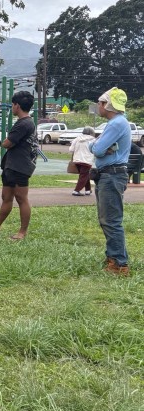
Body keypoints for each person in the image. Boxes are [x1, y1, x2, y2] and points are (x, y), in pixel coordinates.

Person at [91, 87, 131, 276]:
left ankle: (119, 263)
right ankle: (113, 257)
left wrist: (96, 145)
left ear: (107, 105)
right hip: (110, 175)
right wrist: (97, 145)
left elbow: (97, 149)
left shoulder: (116, 124)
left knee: (111, 220)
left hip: (111, 175)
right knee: (107, 219)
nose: (98, 106)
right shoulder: (119, 122)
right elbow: (97, 147)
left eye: (100, 103)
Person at [0, 90, 37, 240]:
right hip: (11, 165)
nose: (11, 107)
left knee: (21, 199)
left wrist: (5, 142)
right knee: (6, 197)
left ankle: (22, 232)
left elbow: (7, 143)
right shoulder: (24, 122)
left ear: (17, 105)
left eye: (12, 104)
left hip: (20, 166)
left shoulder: (24, 124)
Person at [69, 126, 96, 196]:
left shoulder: (77, 139)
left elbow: (71, 149)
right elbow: (96, 150)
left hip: (77, 160)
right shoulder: (93, 140)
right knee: (84, 175)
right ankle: (76, 190)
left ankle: (88, 190)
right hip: (87, 160)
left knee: (85, 174)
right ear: (91, 133)